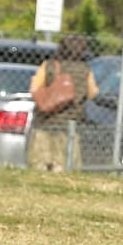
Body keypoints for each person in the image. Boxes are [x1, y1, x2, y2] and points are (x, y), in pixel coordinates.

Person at [27, 33, 99, 172]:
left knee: (39, 165)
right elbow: (92, 93)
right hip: (70, 125)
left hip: (44, 123)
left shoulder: (48, 66)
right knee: (66, 166)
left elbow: (34, 88)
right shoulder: (85, 70)